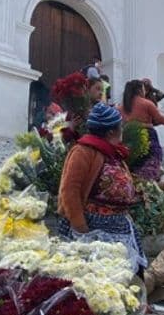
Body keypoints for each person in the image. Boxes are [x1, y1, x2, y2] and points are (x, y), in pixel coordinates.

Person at [56, 101, 146, 270]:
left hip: (119, 226)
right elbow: (70, 190)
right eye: (121, 125)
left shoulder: (111, 152)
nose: (123, 128)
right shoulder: (83, 151)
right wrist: (81, 229)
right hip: (94, 229)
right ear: (112, 131)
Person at [120, 79, 164, 180]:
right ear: (140, 90)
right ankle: (147, 186)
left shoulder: (121, 107)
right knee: (150, 164)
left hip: (128, 139)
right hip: (148, 137)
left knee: (133, 165)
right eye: (143, 89)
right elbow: (159, 119)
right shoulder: (147, 103)